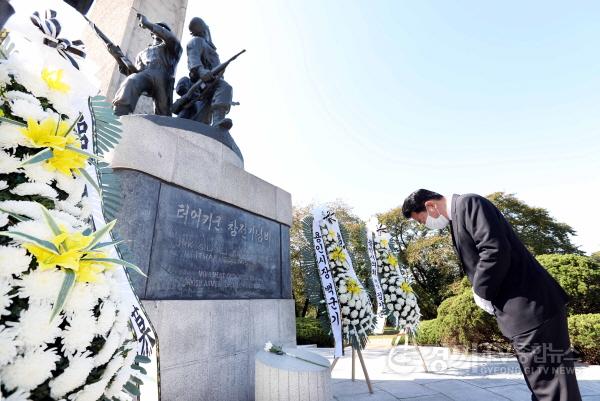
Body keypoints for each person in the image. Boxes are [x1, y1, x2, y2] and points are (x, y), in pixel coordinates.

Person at [402, 190, 581, 401]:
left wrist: (481, 291)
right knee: (544, 382)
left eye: (421, 220)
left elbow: (494, 250)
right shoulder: (457, 217)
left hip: (531, 307)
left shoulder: (469, 204)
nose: (424, 225)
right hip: (525, 311)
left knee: (550, 384)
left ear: (430, 206)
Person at [112, 14, 182, 116]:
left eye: (163, 29)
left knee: (163, 112)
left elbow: (171, 39)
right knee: (131, 80)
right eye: (158, 28)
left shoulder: (172, 48)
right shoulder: (142, 53)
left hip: (163, 77)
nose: (160, 31)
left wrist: (147, 23)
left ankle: (164, 127)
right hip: (146, 74)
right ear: (152, 34)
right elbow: (135, 73)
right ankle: (119, 112)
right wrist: (118, 57)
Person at [185, 16, 234, 129]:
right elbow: (193, 57)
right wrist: (201, 70)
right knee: (225, 87)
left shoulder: (209, 47)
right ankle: (218, 121)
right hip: (203, 82)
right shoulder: (197, 41)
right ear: (203, 30)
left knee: (201, 121)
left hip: (212, 82)